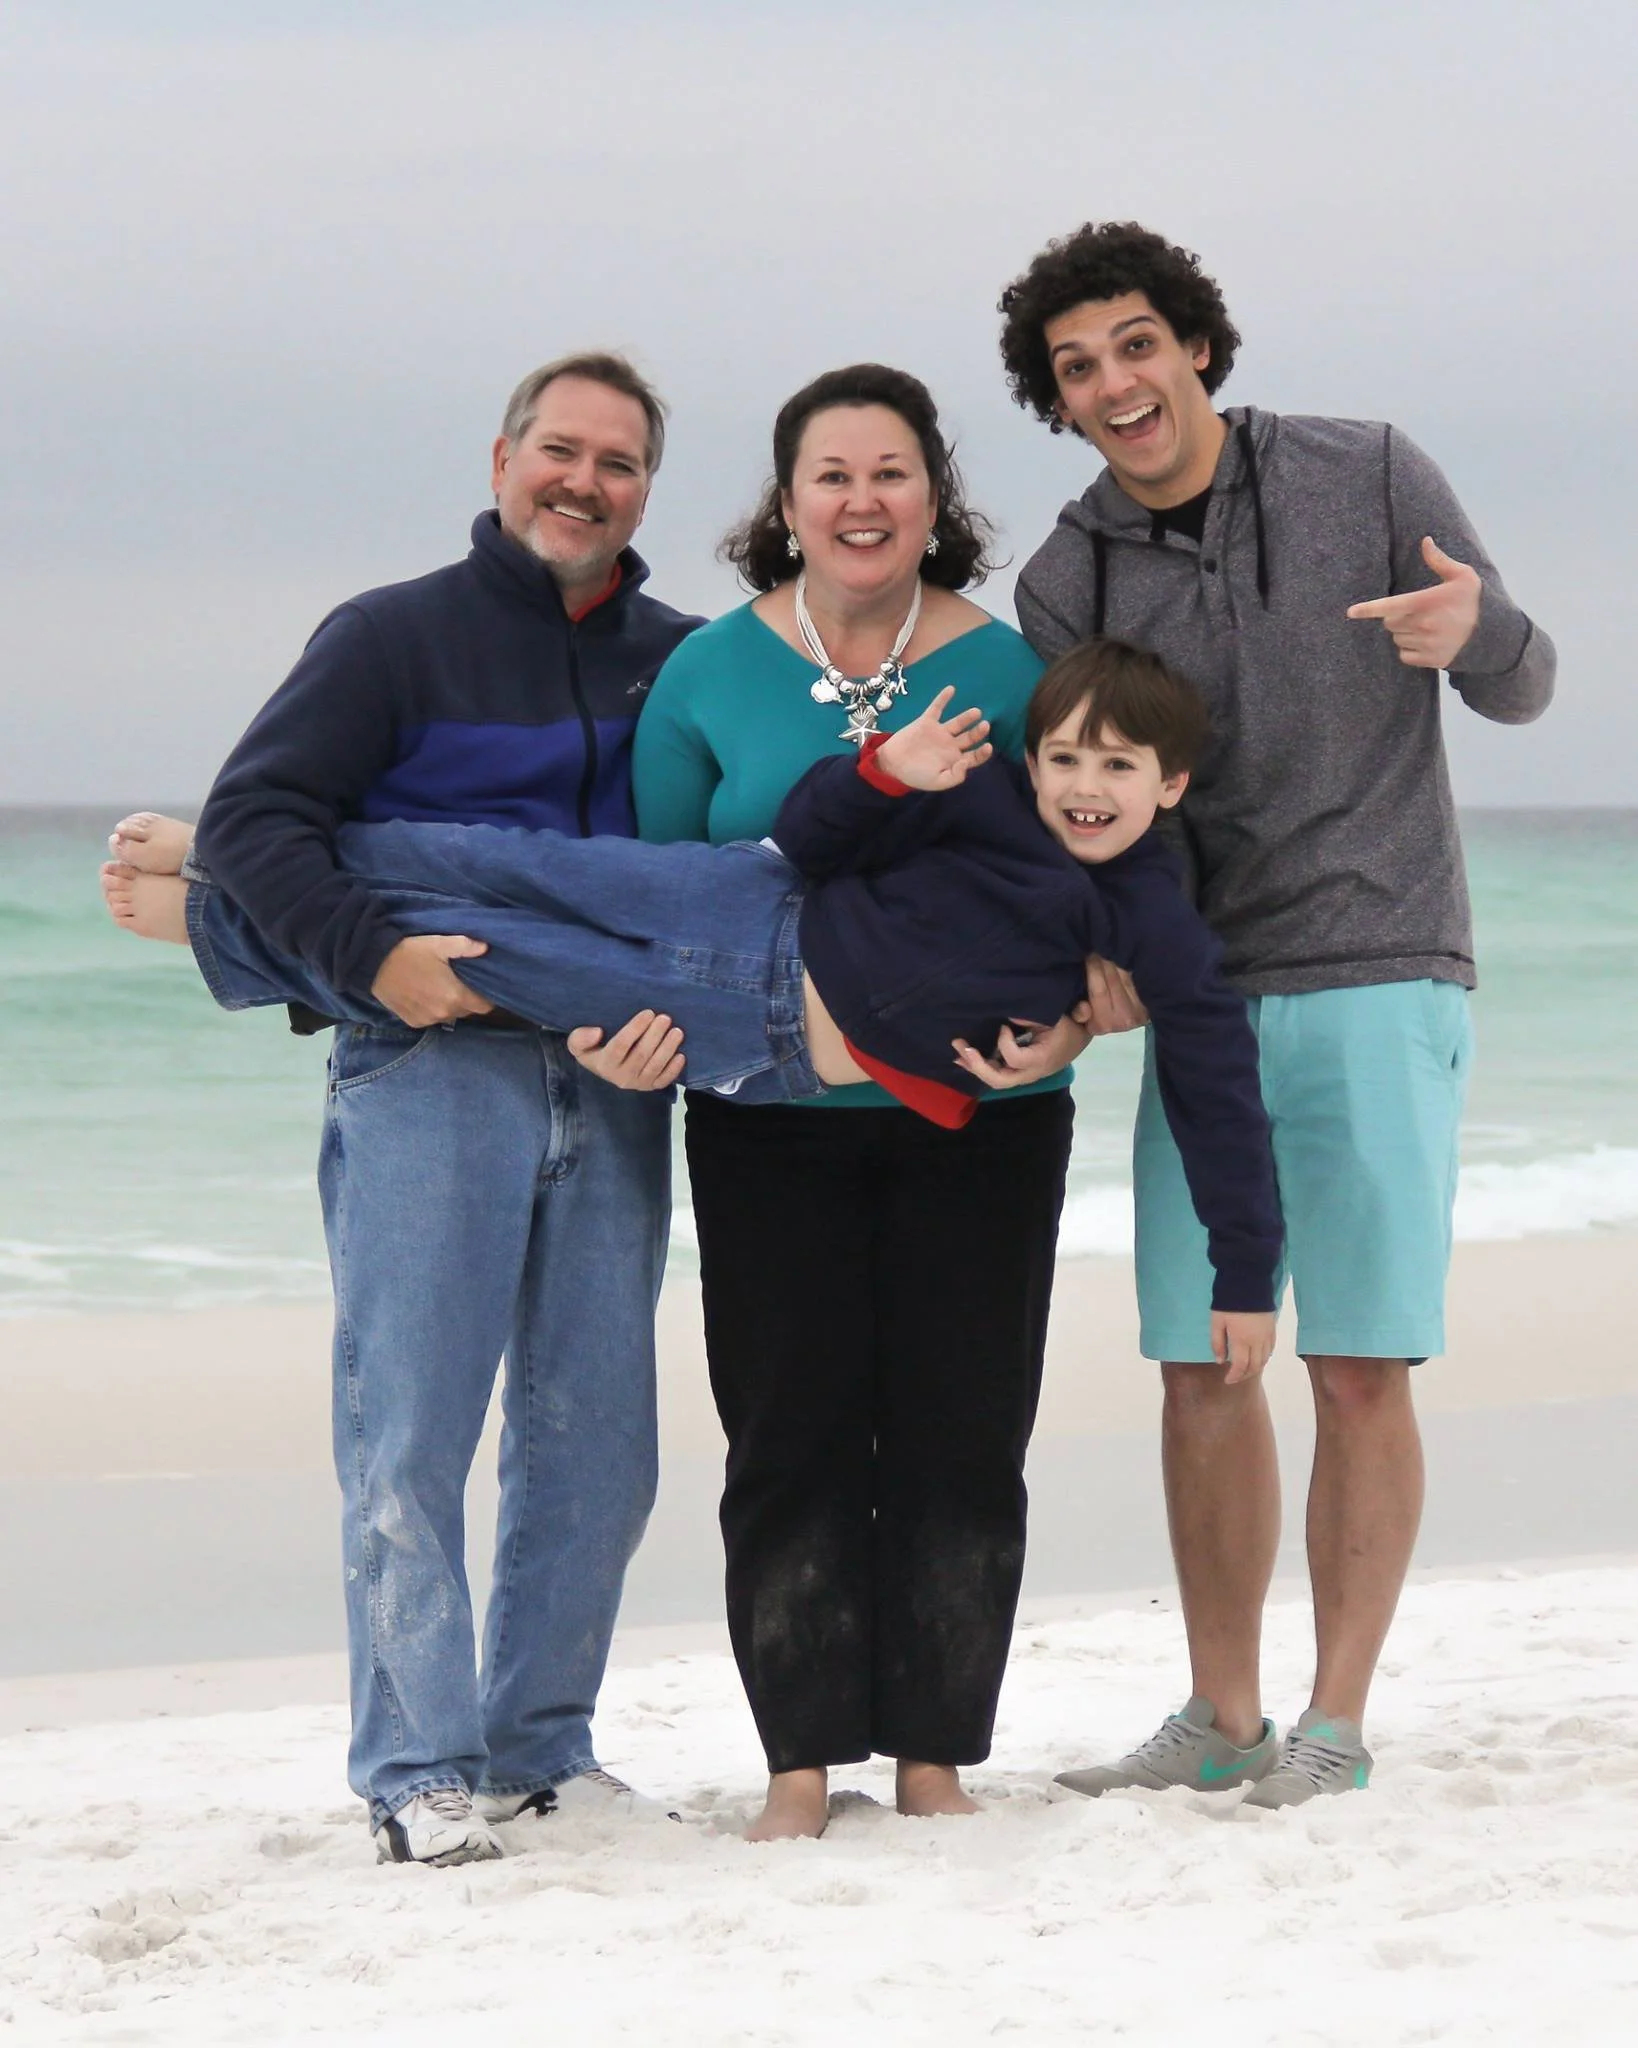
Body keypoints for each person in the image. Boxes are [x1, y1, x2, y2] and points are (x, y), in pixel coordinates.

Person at [113, 354, 704, 1866]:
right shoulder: (389, 636)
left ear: (648, 488)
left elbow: (701, 872)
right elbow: (256, 820)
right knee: (411, 1434)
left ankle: (541, 1748)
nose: (583, 482)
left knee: (597, 1444)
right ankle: (416, 1766)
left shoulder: (678, 662)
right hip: (426, 1071)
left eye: (617, 463)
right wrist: (372, 958)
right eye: (558, 451)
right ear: (503, 457)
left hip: (612, 1084)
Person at [998, 221, 1557, 1806]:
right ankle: (1222, 1709)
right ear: (1058, 402)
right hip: (1205, 1002)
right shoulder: (1065, 576)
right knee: (1200, 1364)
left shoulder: (1368, 473)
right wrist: (1089, 971)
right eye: (1075, 368)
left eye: (1132, 344)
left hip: (1382, 967)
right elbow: (1085, 817)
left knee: (1358, 1364)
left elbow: (1525, 685)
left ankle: (1334, 1720)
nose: (1113, 383)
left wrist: (1479, 635)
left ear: (1192, 344)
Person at [104, 647, 1283, 1383]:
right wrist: (886, 767)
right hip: (745, 899)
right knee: (492, 861)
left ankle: (218, 929)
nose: (1087, 786)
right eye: (1068, 757)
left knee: (490, 954)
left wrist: (1243, 1279)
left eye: (1121, 767)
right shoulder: (978, 799)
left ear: (1169, 785)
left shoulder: (1152, 930)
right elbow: (819, 836)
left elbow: (1219, 1096)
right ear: (1034, 761)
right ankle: (234, 848)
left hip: (757, 1032)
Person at [618, 363, 1095, 1840]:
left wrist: (1082, 1011)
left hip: (986, 1113)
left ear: (933, 499)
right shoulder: (707, 674)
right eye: (831, 473)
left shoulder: (1011, 672)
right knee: (788, 1429)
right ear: (785, 503)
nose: (861, 499)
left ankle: (936, 1755)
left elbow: (1092, 863)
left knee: (962, 1430)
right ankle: (800, 1767)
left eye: (890, 472)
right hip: (766, 1119)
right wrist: (627, 1035)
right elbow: (661, 898)